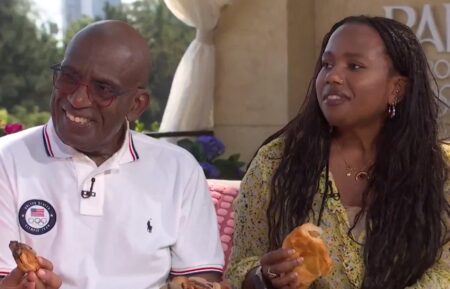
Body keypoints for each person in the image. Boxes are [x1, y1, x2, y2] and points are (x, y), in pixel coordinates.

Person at [225, 15, 450, 289]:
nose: (332, 76)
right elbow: (239, 269)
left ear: (397, 89)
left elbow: (444, 273)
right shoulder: (276, 162)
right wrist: (264, 277)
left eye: (354, 66)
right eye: (326, 64)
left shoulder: (439, 170)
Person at [0, 20, 224, 289]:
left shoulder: (178, 169)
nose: (77, 99)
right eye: (68, 77)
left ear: (136, 105)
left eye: (102, 89)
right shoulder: (6, 160)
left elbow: (201, 279)